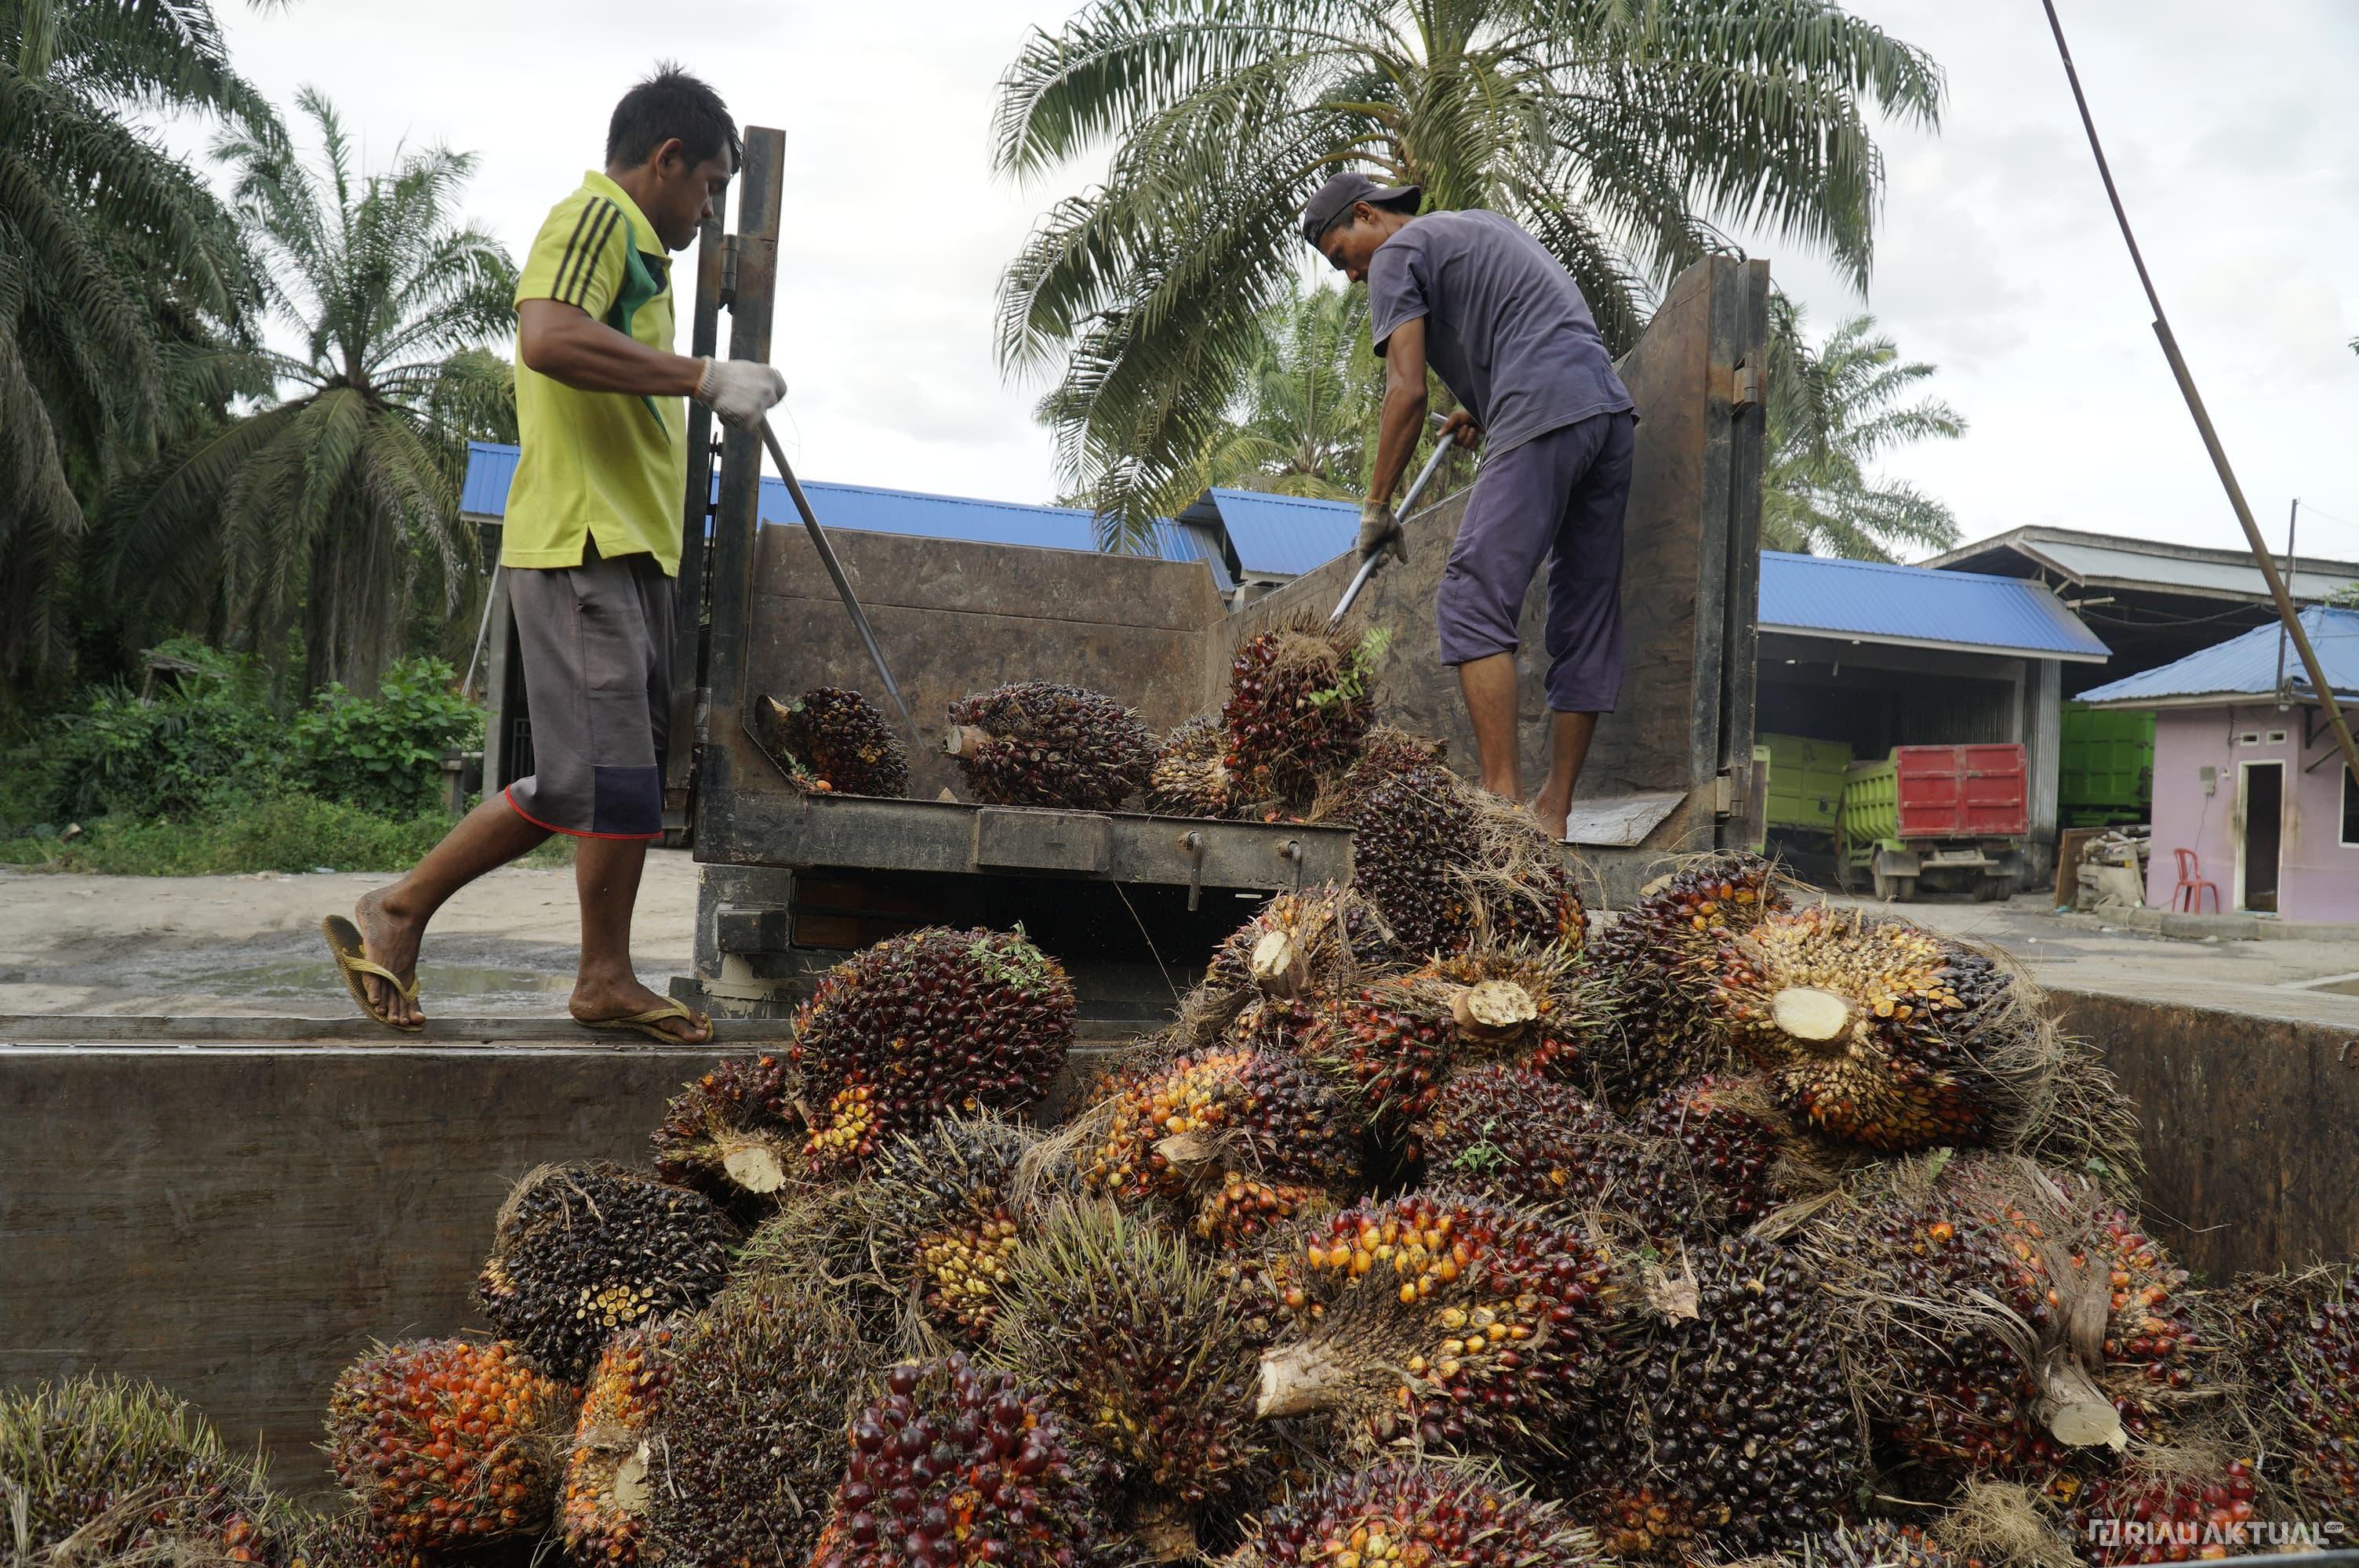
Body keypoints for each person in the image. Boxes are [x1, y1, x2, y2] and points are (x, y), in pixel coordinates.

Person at [322, 65, 787, 1041]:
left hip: (627, 550)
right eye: (705, 184)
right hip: (582, 540)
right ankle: (410, 911)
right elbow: (546, 338)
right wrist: (704, 375)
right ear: (663, 160)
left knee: (611, 781)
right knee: (600, 776)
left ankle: (591, 972)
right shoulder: (596, 220)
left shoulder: (640, 263)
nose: (707, 210)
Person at [1303, 172, 1637, 833]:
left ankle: (1502, 810)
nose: (1350, 278)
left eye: (1342, 258)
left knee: (1469, 595)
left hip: (1543, 407)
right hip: (1608, 413)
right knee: (1585, 618)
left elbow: (1406, 392)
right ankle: (1552, 814)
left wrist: (1376, 506)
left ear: (1366, 214)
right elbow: (1529, 324)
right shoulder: (1481, 224)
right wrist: (1482, 406)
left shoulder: (1398, 252)